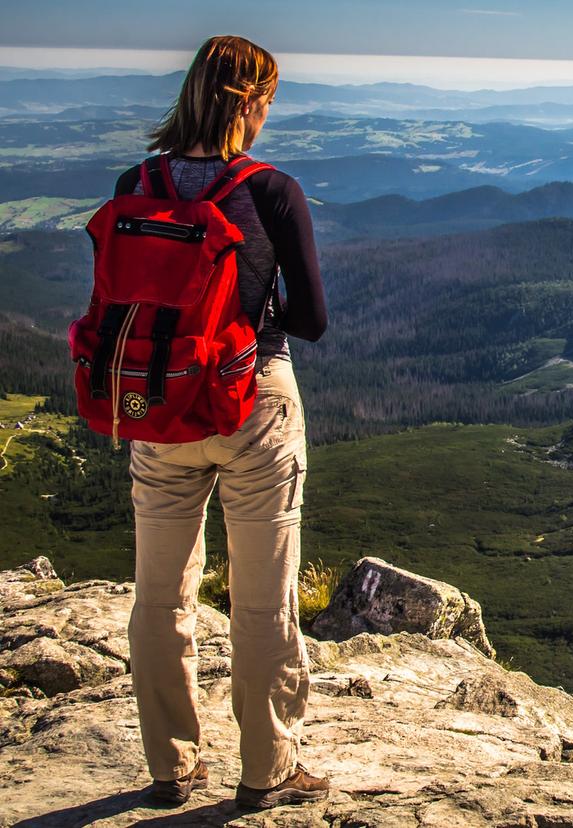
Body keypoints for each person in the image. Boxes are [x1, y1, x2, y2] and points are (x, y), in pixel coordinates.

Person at [116, 35, 330, 810]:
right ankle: (266, 770)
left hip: (157, 408)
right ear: (251, 102)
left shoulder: (136, 181)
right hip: (251, 404)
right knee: (262, 598)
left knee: (160, 597)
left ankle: (171, 767)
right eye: (269, 99)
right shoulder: (271, 190)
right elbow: (309, 321)